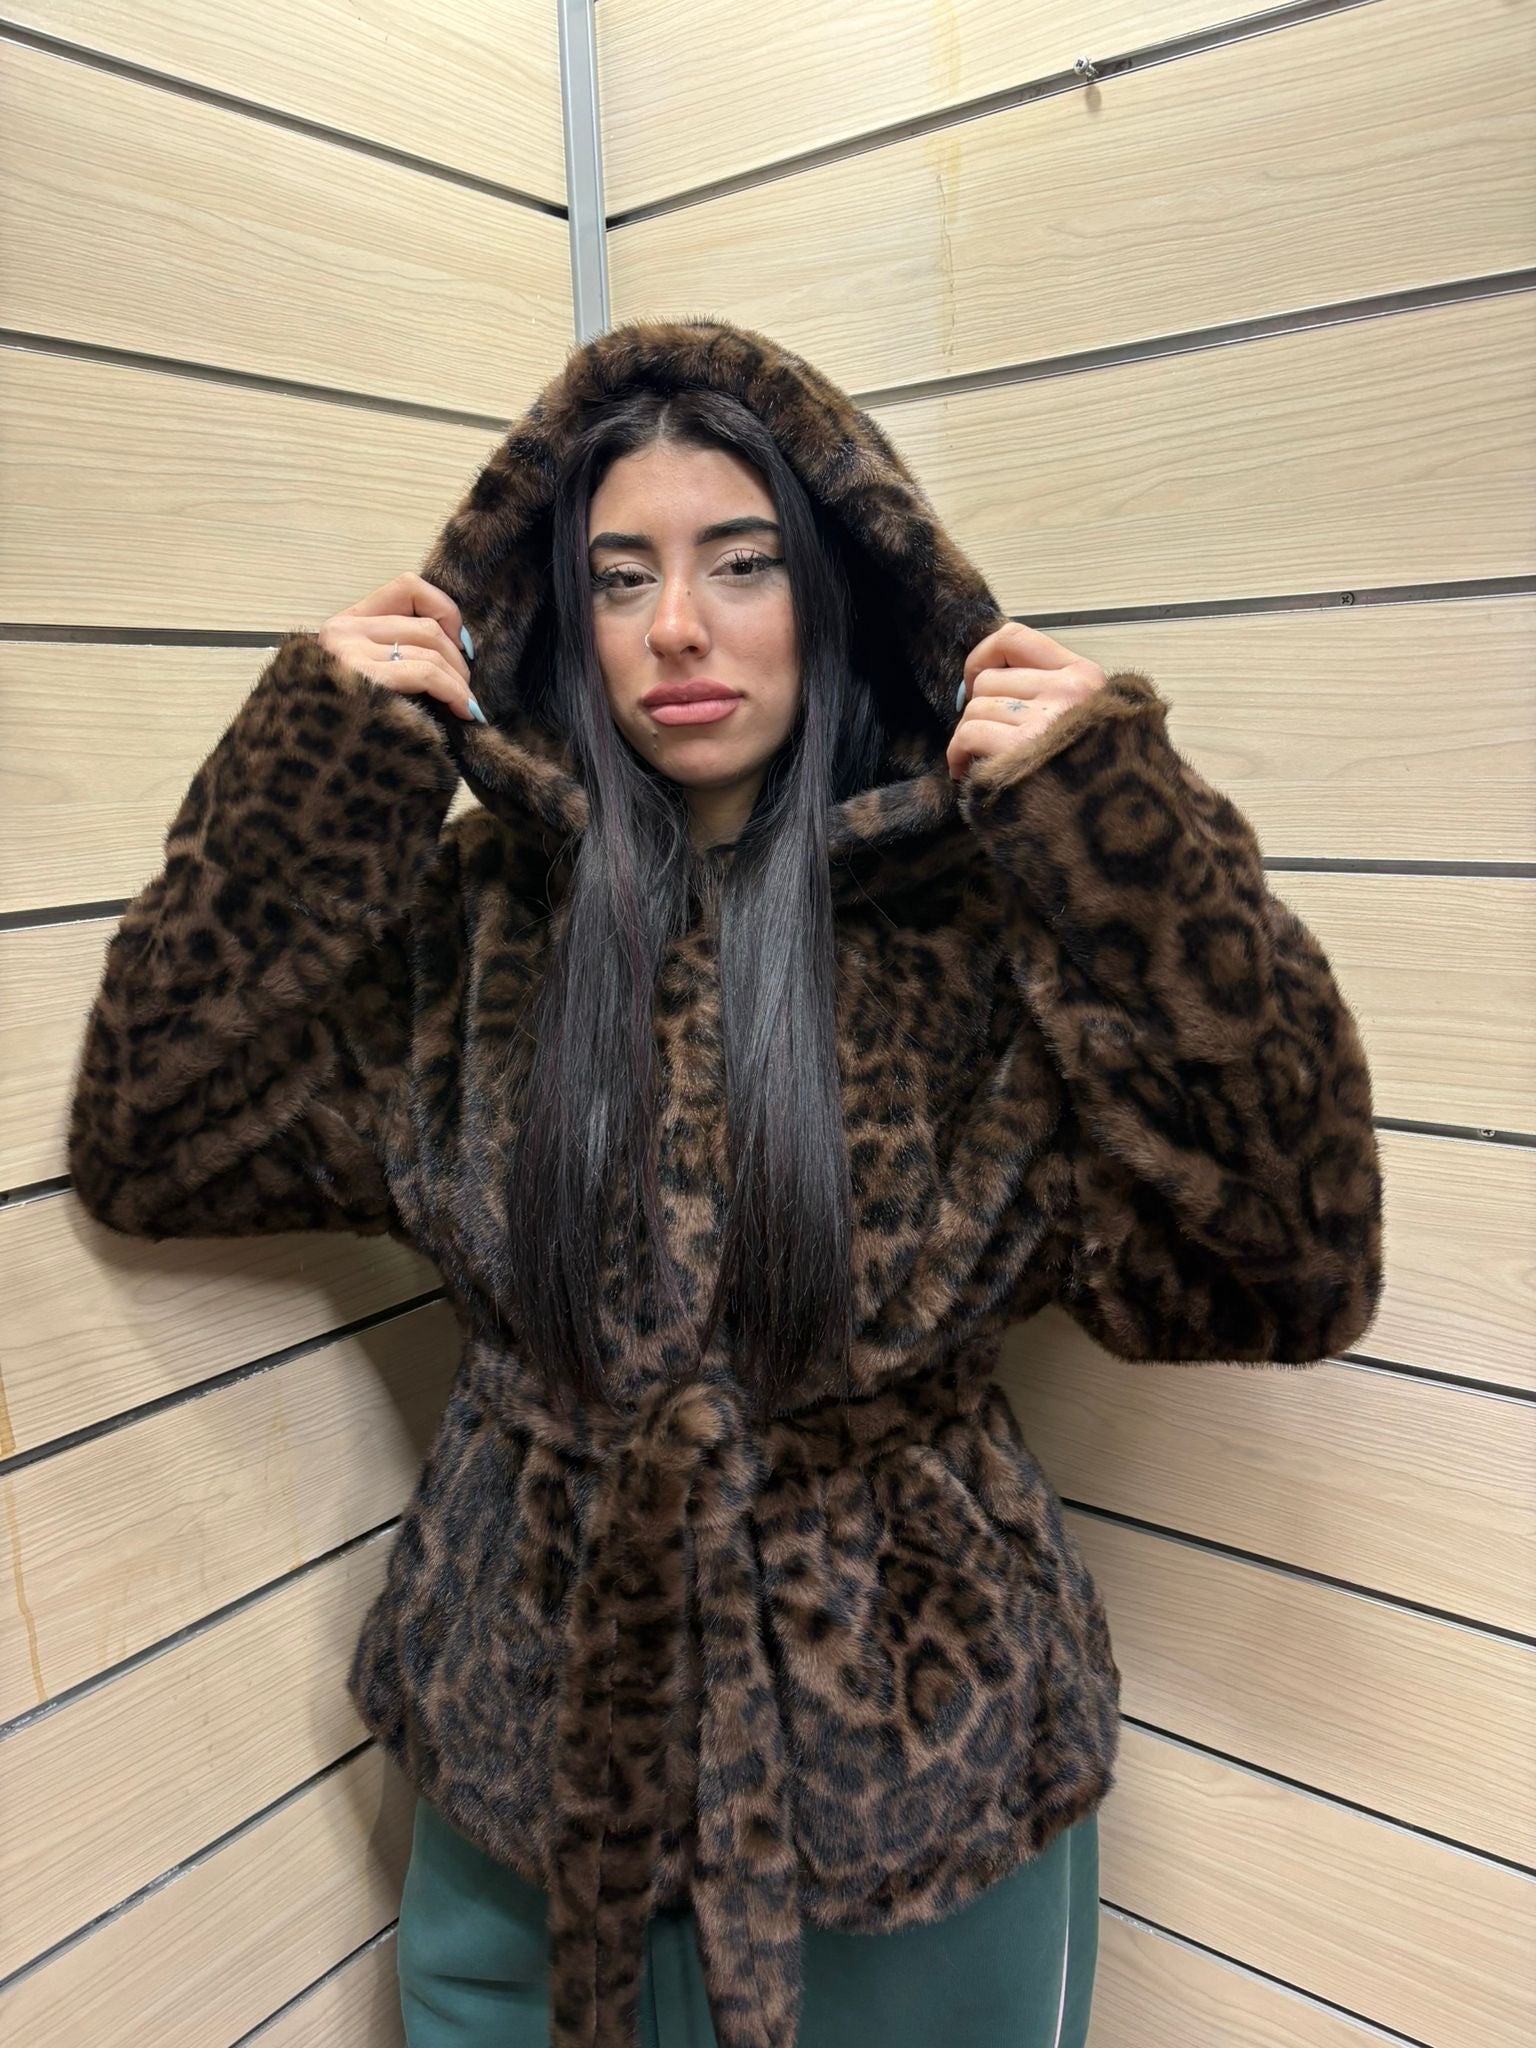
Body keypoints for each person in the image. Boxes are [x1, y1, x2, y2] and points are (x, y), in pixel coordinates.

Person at [66, 316, 1385, 2048]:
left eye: (742, 563)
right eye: (620, 577)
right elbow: (154, 1136)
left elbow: (1293, 1262)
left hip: (915, 1794)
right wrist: (311, 786)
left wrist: (1124, 839)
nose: (676, 626)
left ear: (838, 593)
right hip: (531, 1781)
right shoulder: (482, 923)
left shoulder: (990, 924)